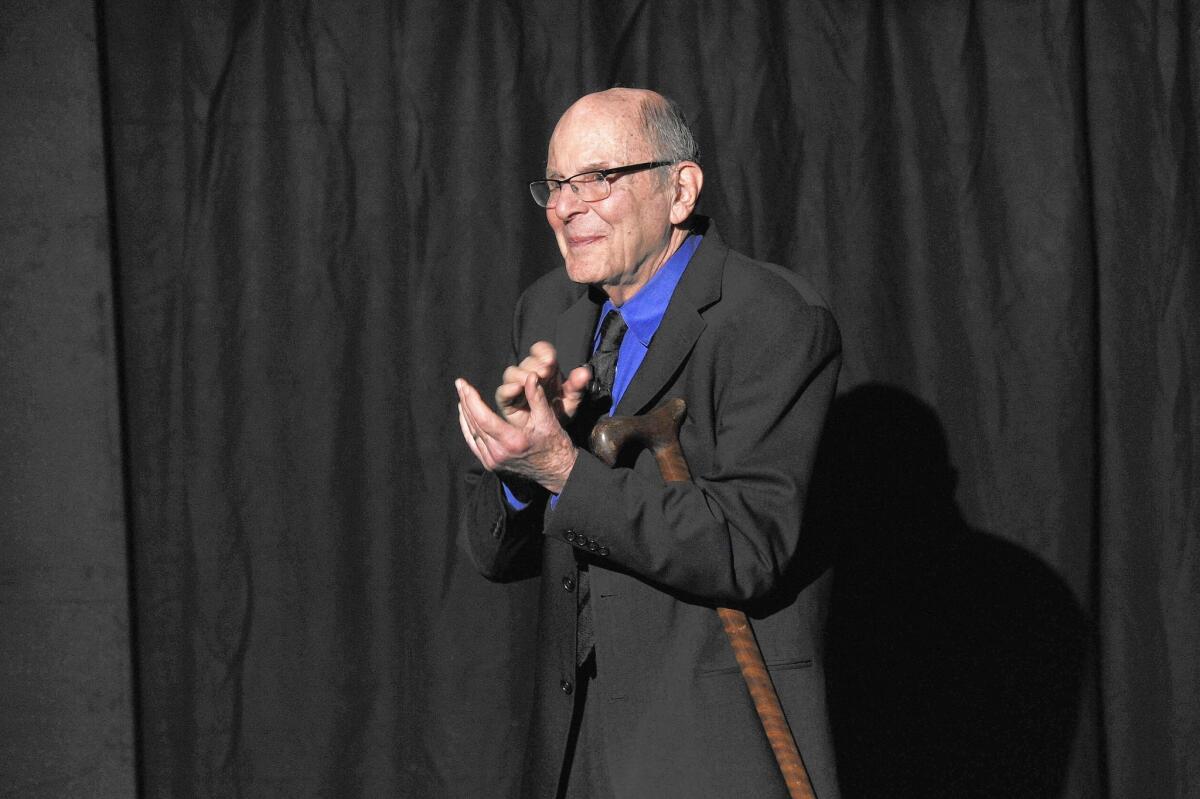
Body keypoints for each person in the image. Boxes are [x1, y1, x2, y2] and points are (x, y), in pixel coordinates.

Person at [455, 88, 842, 799]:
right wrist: (514, 470)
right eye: (558, 184)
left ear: (680, 188)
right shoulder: (550, 311)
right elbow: (492, 552)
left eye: (599, 178)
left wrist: (563, 470)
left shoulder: (771, 318)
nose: (568, 207)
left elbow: (748, 545)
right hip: (573, 755)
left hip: (709, 743)